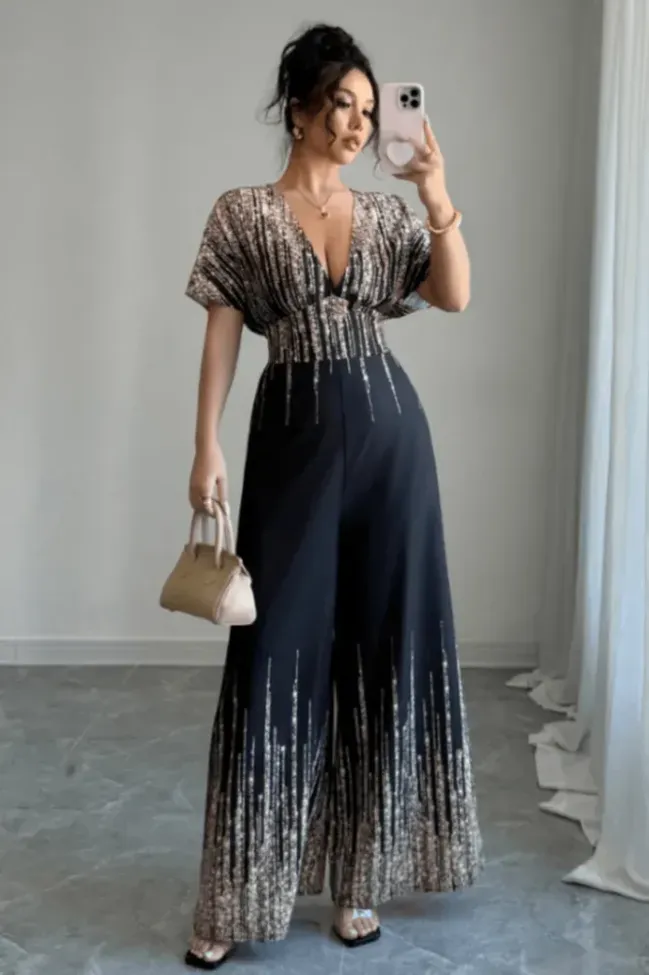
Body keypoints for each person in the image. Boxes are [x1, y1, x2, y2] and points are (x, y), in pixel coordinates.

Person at [182, 22, 482, 971]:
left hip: (394, 444)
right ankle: (236, 893)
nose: (356, 124)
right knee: (273, 650)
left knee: (382, 647)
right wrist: (205, 443)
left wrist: (435, 192)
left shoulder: (386, 214)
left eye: (368, 109)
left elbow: (453, 296)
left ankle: (359, 878)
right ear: (299, 108)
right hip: (293, 445)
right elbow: (222, 330)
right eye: (341, 106)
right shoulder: (242, 213)